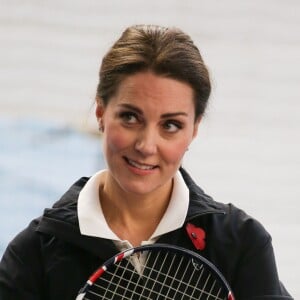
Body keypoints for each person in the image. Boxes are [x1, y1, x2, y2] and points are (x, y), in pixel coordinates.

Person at [0, 25, 293, 299]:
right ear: (101, 113)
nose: (146, 146)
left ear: (195, 128)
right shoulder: (33, 256)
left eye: (171, 125)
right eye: (130, 117)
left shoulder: (240, 245)